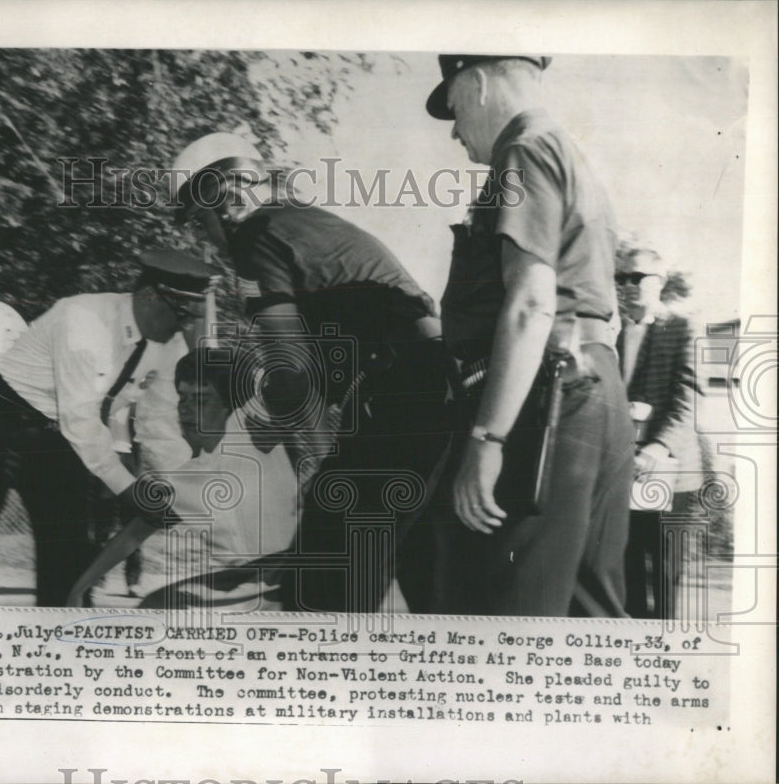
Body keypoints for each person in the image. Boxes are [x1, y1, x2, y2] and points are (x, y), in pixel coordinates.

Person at [170, 132, 451, 613]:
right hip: (432, 392)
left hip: (404, 397)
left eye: (200, 221)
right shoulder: (306, 222)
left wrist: (261, 424)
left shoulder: (254, 239)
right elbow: (328, 369)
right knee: (415, 579)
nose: (205, 238)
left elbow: (292, 375)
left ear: (223, 200)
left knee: (317, 589)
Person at [426, 55, 634, 616]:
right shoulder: (569, 152)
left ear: (478, 82)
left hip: (548, 398)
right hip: (598, 384)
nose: (454, 129)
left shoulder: (521, 150)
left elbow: (532, 303)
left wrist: (486, 440)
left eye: (454, 106)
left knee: (511, 620)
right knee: (593, 613)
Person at [0, 250, 212, 606]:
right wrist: (130, 490)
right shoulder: (83, 319)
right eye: (182, 314)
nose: (184, 327)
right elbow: (80, 419)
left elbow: (158, 421)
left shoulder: (168, 344)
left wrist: (178, 485)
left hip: (55, 435)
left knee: (68, 569)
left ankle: (63, 655)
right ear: (150, 296)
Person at [66, 348, 298, 609]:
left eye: (200, 400)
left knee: (163, 608)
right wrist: (80, 587)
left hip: (287, 573)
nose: (186, 409)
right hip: (248, 584)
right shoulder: (186, 479)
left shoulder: (251, 431)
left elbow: (291, 378)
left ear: (228, 408)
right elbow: (133, 534)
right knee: (159, 608)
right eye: (182, 398)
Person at [616, 248, 703, 618]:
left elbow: (689, 399)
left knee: (666, 574)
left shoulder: (683, 327)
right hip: (622, 471)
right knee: (626, 570)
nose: (629, 285)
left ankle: (663, 659)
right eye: (622, 278)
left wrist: (655, 447)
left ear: (661, 282)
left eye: (639, 277)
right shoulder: (610, 330)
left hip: (671, 470)